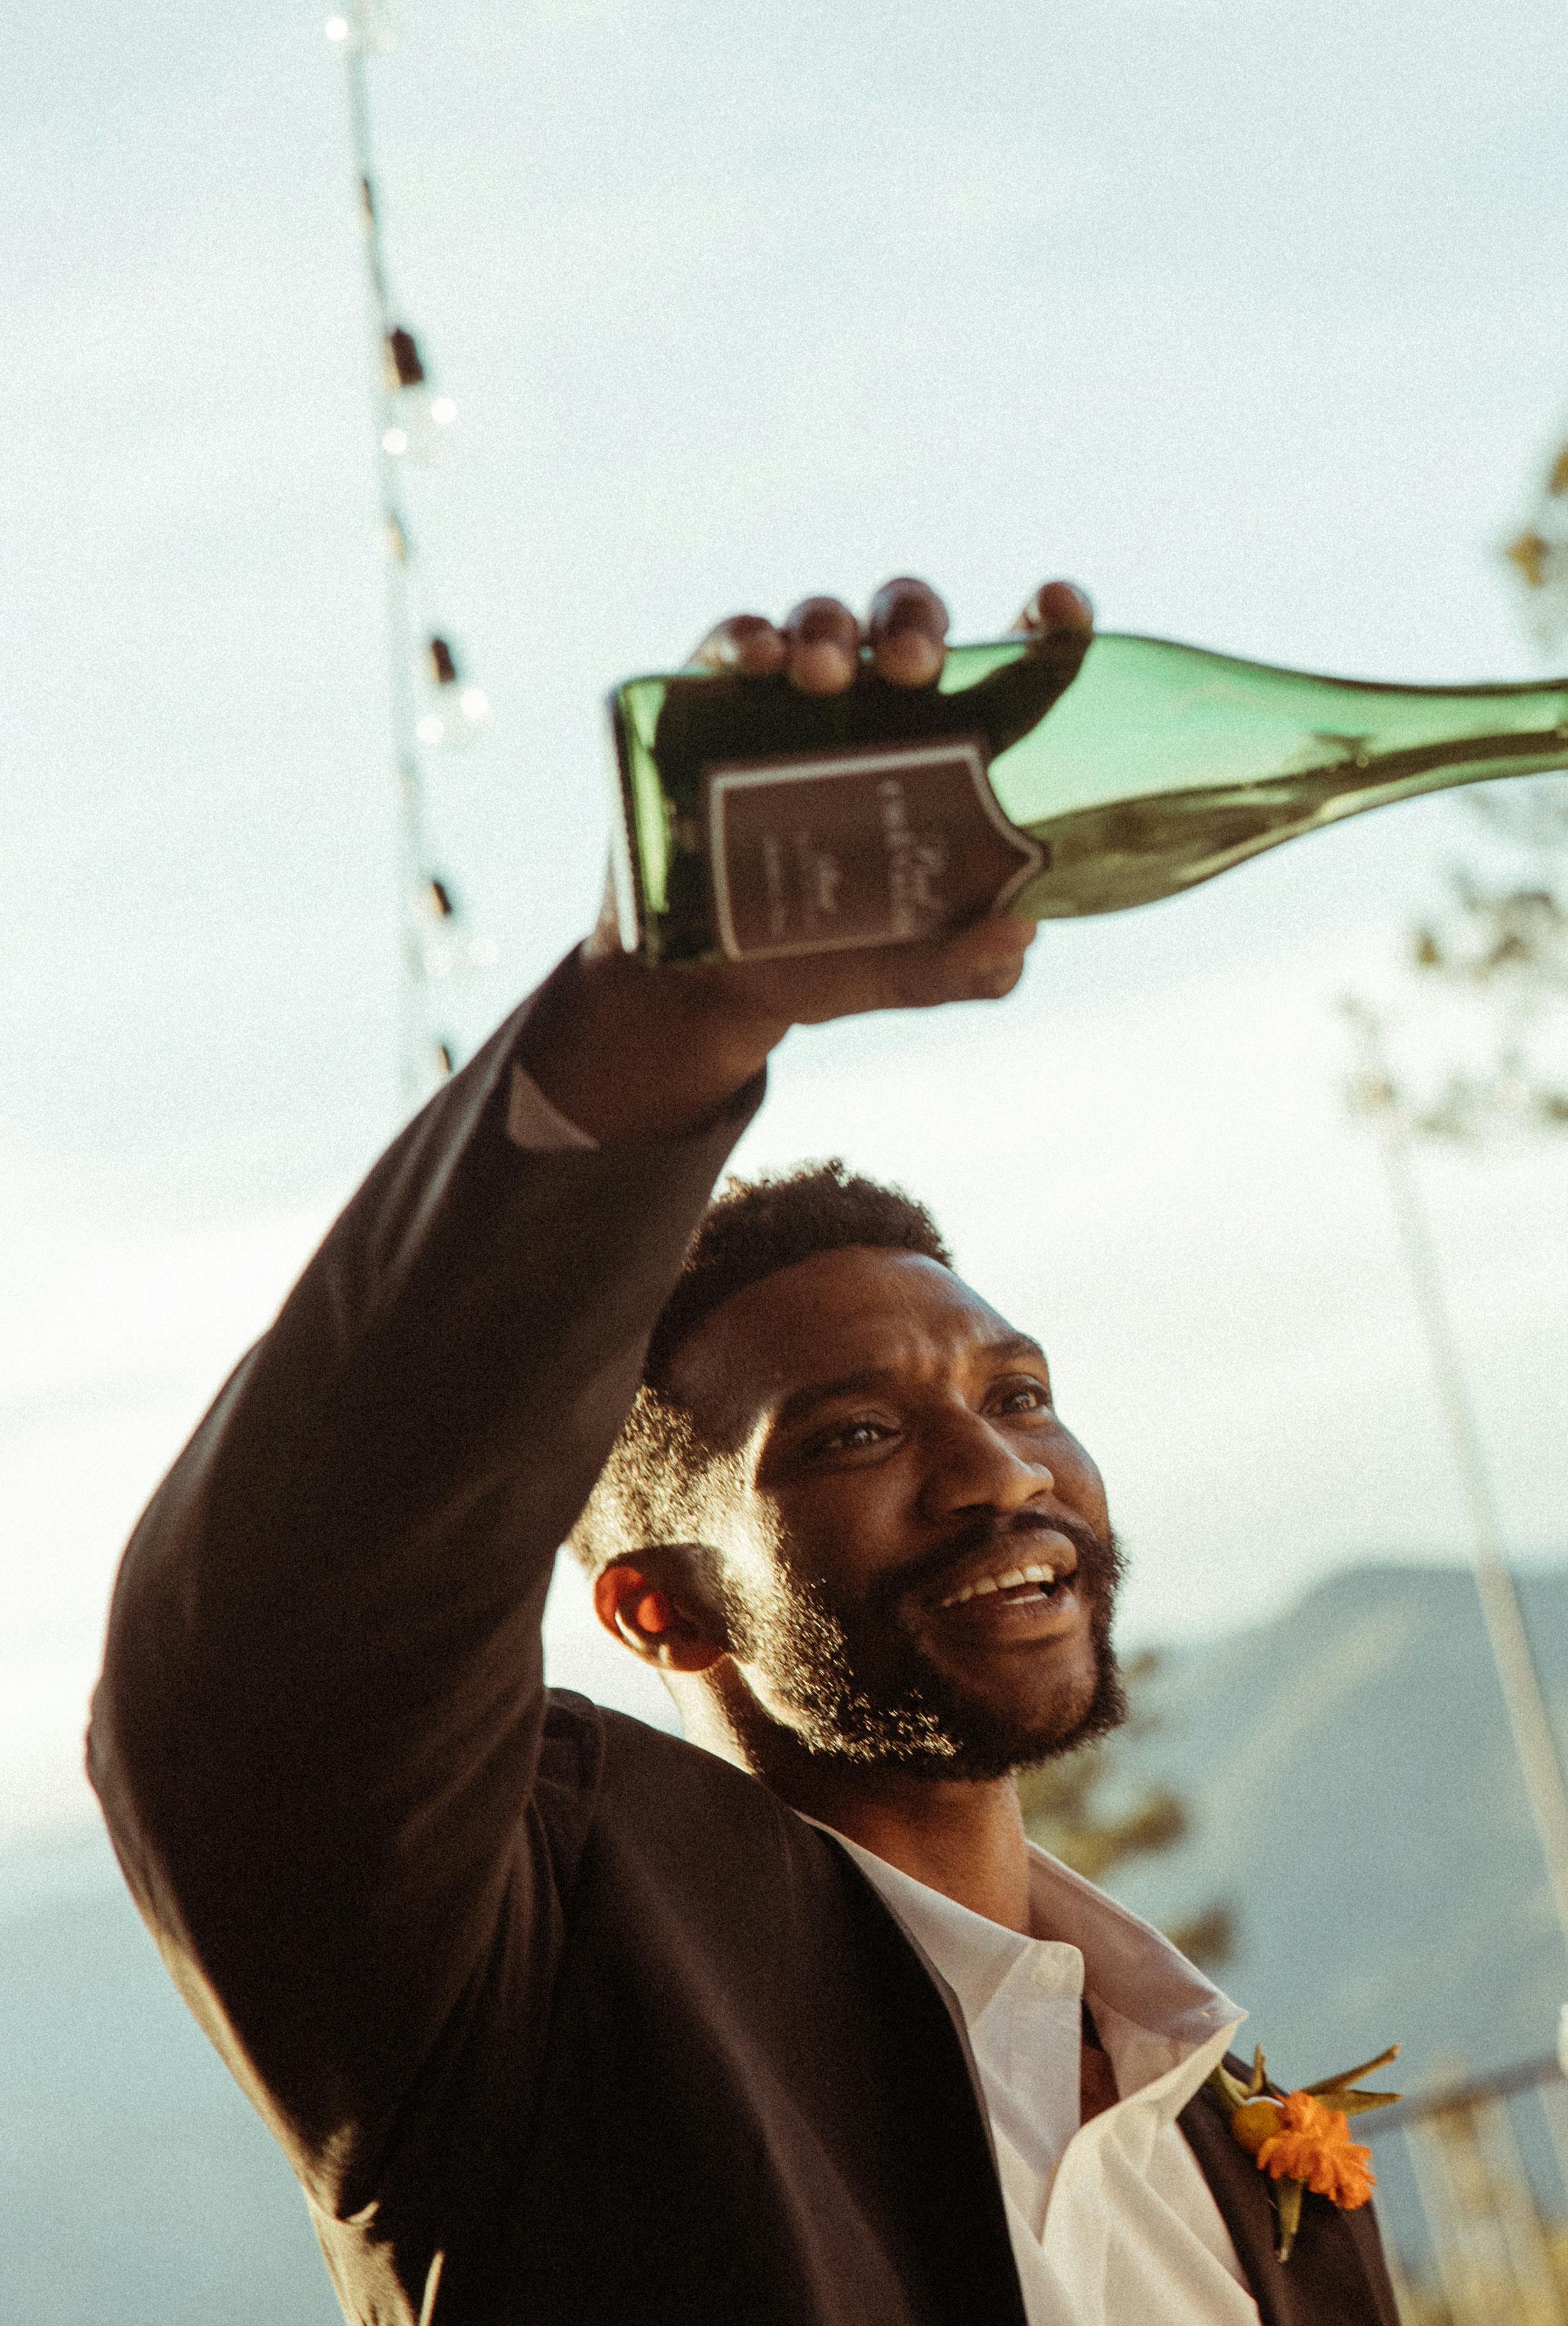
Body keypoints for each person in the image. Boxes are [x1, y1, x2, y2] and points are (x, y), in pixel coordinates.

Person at [89, 578, 1398, 2326]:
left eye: (1017, 1395)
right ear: (662, 1608)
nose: (1000, 1472)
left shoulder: (1228, 2121)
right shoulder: (535, 1989)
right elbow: (270, 1663)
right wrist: (667, 1014)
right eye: (854, 1434)